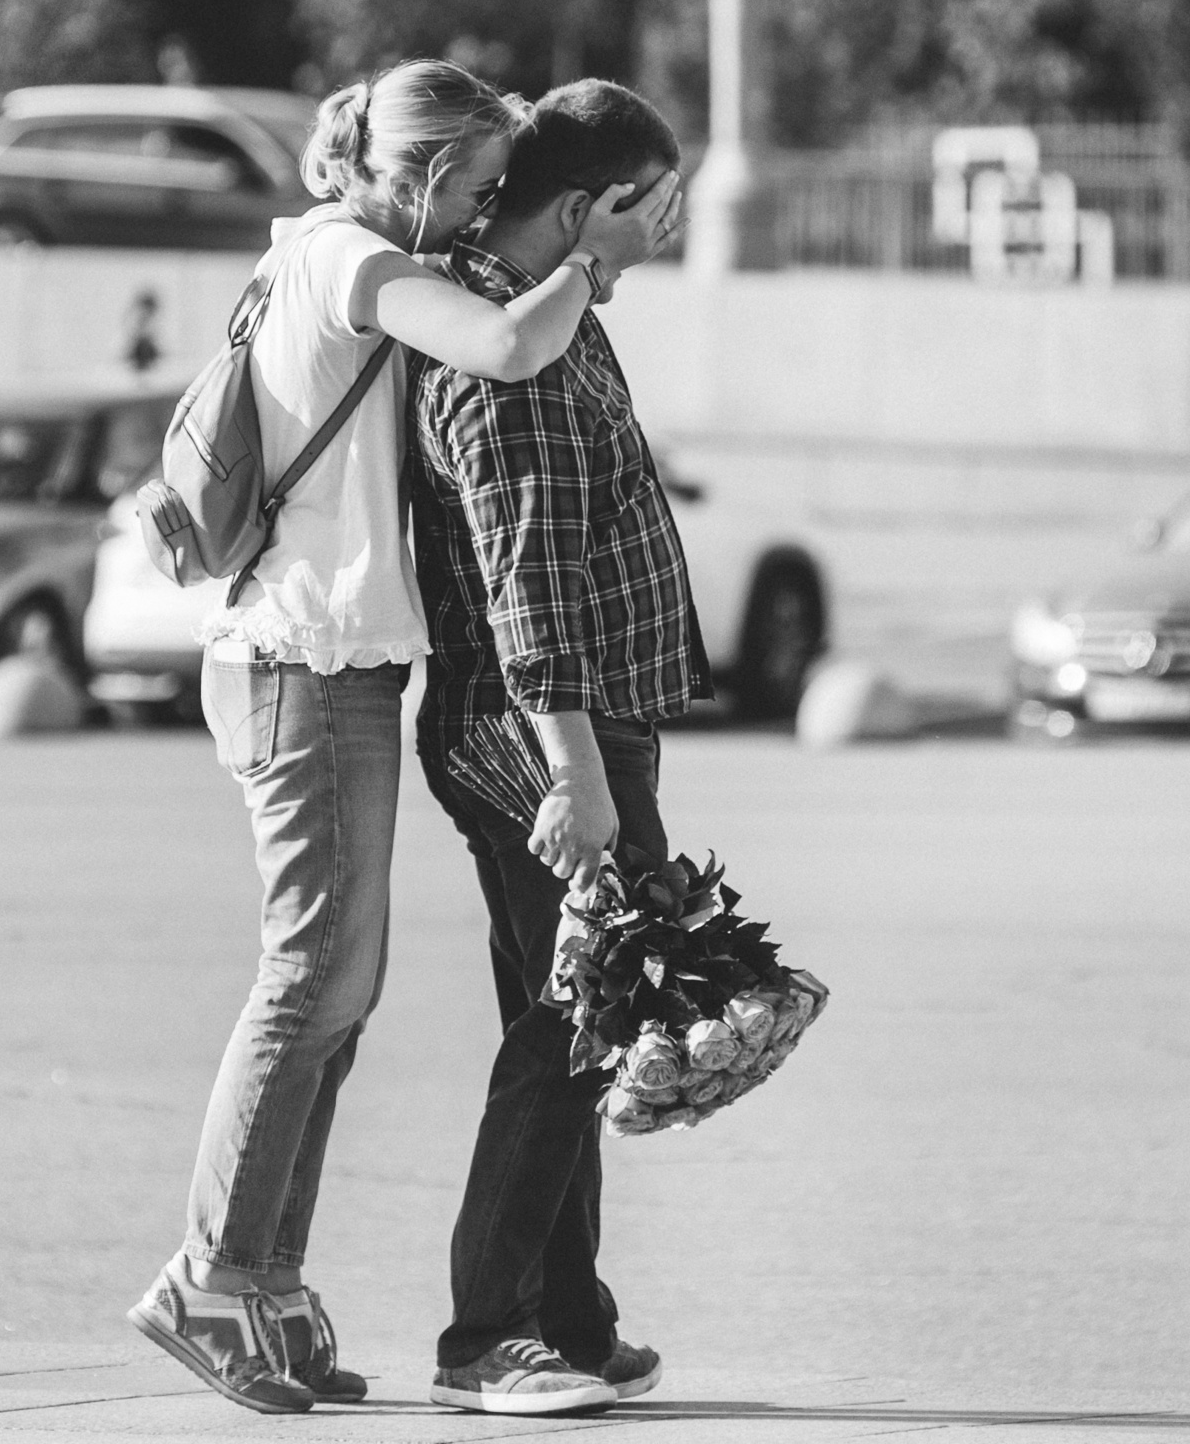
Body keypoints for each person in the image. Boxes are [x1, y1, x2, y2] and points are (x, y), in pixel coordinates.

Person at [127, 60, 684, 1417]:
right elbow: (504, 356)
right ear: (424, 176)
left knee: (343, 997)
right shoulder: (348, 260)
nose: (495, 219)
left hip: (347, 663)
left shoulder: (349, 262)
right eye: (487, 189)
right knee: (313, 979)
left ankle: (270, 1283)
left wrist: (582, 257)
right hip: (304, 659)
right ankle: (216, 1276)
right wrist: (591, 255)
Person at [408, 80, 708, 1416]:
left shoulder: (550, 311)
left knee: (581, 1010)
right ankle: (487, 1339)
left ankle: (571, 1318)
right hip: (541, 725)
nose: (674, 228)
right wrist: (577, 769)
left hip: (576, 719)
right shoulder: (502, 344)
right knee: (572, 1018)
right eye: (661, 204)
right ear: (587, 208)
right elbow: (524, 575)